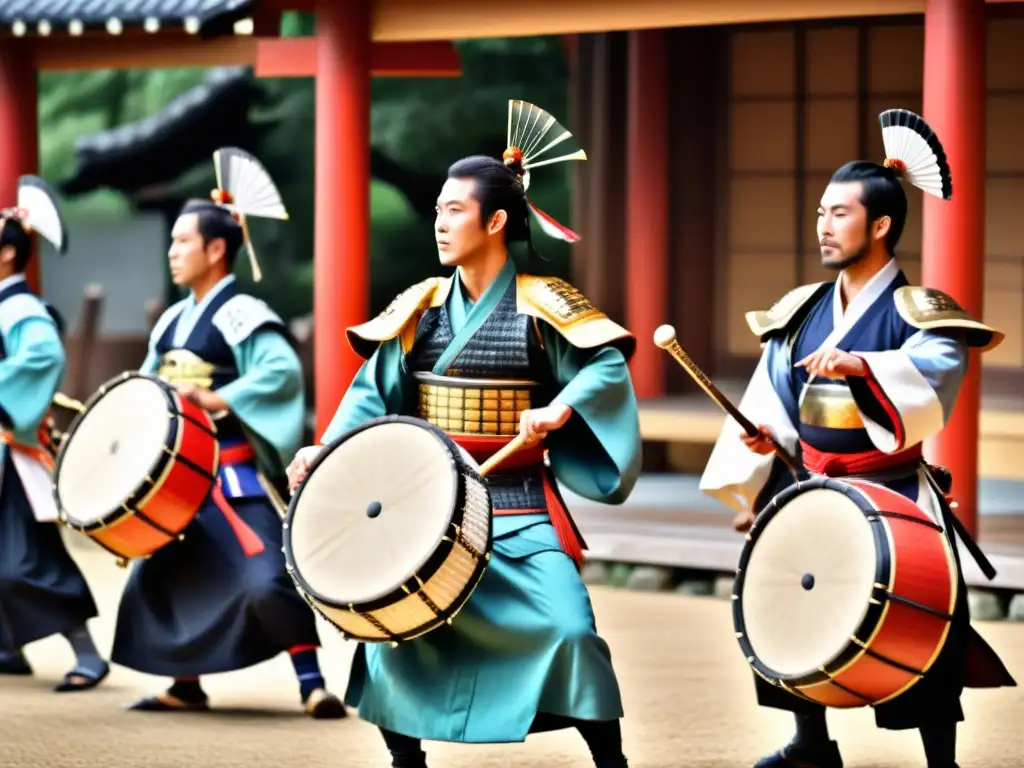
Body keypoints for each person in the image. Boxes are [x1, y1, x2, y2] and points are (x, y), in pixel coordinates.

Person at [287, 100, 640, 768]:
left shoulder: (545, 305)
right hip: (428, 506)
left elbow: (607, 365)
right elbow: (371, 399)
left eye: (455, 209)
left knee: (569, 630)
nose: (440, 221)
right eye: (439, 209)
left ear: (497, 221)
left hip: (516, 507)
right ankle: (406, 759)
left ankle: (611, 762)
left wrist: (561, 407)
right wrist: (325, 449)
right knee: (391, 628)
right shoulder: (420, 310)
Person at [700, 109, 1016, 768]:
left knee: (923, 619)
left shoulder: (920, 312)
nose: (824, 224)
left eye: (840, 213)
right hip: (815, 479)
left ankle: (941, 759)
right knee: (787, 595)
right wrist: (764, 442)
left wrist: (864, 366)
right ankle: (810, 745)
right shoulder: (802, 310)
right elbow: (774, 392)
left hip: (893, 487)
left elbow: (933, 381)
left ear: (880, 225)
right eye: (821, 211)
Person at [110, 148, 345, 719]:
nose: (172, 252)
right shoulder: (170, 320)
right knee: (163, 575)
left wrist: (215, 396)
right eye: (172, 243)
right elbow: (148, 382)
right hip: (175, 482)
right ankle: (185, 682)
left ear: (217, 249)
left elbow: (281, 373)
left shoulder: (243, 313)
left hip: (230, 474)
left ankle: (312, 683)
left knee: (266, 576)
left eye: (181, 242)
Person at [0, 176, 109, 692]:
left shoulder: (20, 309)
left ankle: (88, 653)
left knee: (24, 562)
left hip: (11, 454)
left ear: (6, 254)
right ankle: (8, 647)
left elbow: (44, 356)